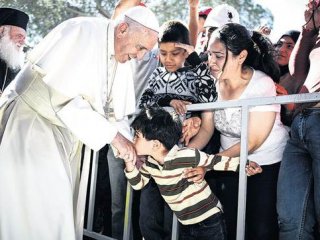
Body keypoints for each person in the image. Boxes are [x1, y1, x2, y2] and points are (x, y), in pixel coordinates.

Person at [0, 6, 159, 240]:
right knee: (37, 211)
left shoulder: (121, 58)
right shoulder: (82, 31)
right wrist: (117, 140)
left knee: (56, 208)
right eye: (140, 47)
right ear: (123, 29)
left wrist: (132, 151)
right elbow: (62, 99)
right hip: (32, 126)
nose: (140, 56)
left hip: (60, 135)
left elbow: (116, 114)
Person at [185, 23, 288, 240]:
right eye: (209, 54)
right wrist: (180, 155)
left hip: (265, 163)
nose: (210, 62)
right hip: (228, 162)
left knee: (261, 229)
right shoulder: (210, 82)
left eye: (218, 56)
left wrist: (209, 162)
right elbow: (206, 129)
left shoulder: (262, 84)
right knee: (229, 224)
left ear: (241, 56)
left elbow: (252, 142)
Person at [123, 107, 243, 240]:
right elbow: (138, 184)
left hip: (209, 220)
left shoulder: (186, 155)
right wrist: (129, 162)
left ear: (156, 145)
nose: (133, 139)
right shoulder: (150, 164)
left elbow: (215, 161)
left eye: (137, 136)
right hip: (186, 224)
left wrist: (245, 165)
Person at [277, 0, 320, 239]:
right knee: (292, 220)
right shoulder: (316, 35)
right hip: (300, 124)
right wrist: (309, 28)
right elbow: (297, 73)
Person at [274, 30, 301, 126]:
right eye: (279, 44)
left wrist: (289, 104)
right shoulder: (265, 72)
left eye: (289, 46)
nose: (281, 49)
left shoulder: (302, 79)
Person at [0, 7, 29, 96]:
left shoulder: (15, 67)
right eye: (19, 36)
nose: (23, 42)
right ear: (2, 31)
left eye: (24, 38)